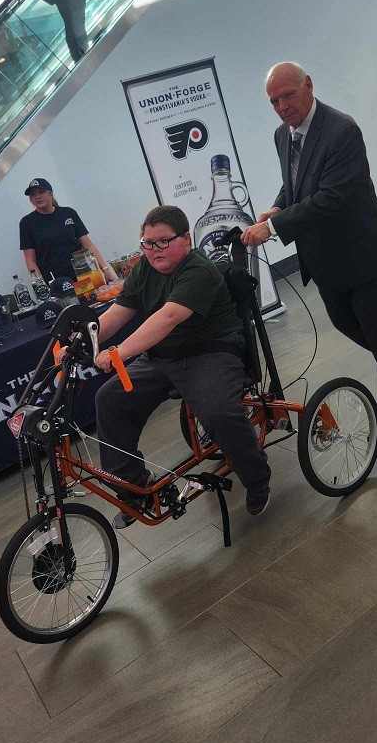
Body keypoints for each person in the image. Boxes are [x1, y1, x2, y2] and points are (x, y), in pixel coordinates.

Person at [242, 62, 377, 443]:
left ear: (308, 85)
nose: (282, 106)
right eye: (274, 100)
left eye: (288, 95)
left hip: (361, 248)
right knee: (346, 322)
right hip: (323, 255)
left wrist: (274, 227)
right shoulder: (283, 135)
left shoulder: (342, 130)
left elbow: (334, 196)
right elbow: (296, 183)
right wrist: (279, 207)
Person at [93, 204, 271, 521]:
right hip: (164, 355)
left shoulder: (198, 269)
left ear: (186, 239)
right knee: (109, 399)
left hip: (211, 351)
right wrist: (82, 339)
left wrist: (120, 352)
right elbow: (120, 312)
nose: (153, 249)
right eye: (147, 242)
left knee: (219, 413)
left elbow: (168, 317)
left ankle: (257, 477)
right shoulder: (143, 269)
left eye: (163, 241)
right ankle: (135, 489)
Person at [19, 177, 117, 284]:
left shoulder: (68, 213)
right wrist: (41, 284)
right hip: (56, 280)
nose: (37, 196)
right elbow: (30, 260)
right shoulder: (27, 223)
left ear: (50, 194)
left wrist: (105, 270)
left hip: (84, 273)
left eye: (41, 192)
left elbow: (88, 245)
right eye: (33, 194)